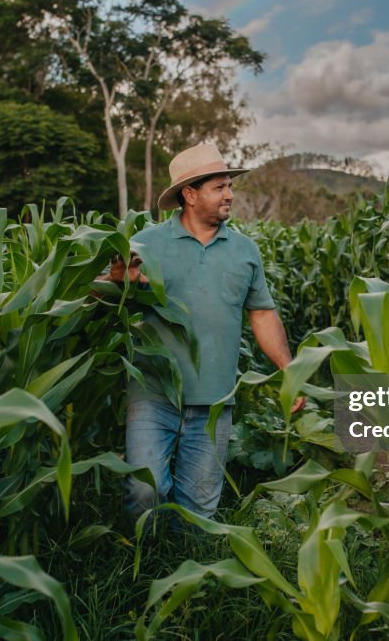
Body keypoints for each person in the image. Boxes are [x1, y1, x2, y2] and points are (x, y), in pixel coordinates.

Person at [102, 143, 305, 522]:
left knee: (199, 511)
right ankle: (143, 570)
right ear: (190, 195)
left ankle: (190, 570)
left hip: (215, 401)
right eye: (219, 187)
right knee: (145, 491)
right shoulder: (146, 244)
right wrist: (120, 282)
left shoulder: (244, 250)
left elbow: (262, 314)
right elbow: (105, 291)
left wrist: (288, 369)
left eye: (230, 186)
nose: (230, 195)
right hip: (153, 393)